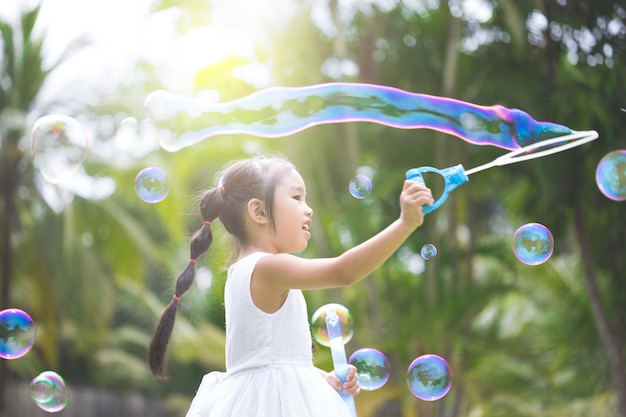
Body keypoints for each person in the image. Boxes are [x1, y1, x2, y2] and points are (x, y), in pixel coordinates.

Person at [148, 155, 434, 417]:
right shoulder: (268, 267)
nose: (308, 209)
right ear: (258, 211)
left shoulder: (246, 270)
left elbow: (269, 358)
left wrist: (324, 379)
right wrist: (405, 223)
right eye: (296, 197)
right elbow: (344, 271)